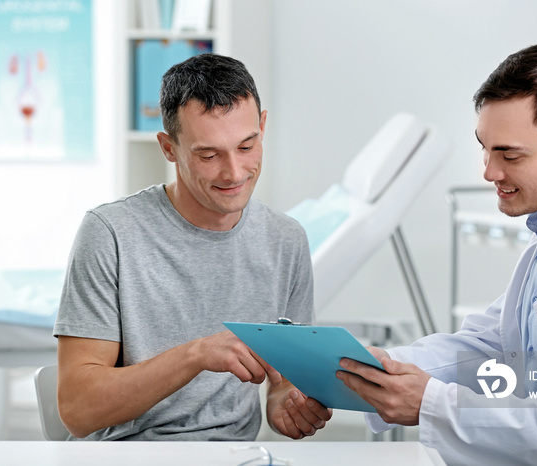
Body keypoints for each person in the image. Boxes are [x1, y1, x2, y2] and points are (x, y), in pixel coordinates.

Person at [337, 42, 537, 464]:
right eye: (485, 147)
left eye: (510, 155)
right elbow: (490, 349)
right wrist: (381, 368)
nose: (489, 171)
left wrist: (431, 404)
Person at [53, 53, 331, 441]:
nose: (234, 173)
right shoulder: (110, 233)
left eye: (247, 147)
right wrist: (196, 355)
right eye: (208, 155)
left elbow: (283, 383)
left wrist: (285, 403)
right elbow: (77, 411)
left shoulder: (286, 239)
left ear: (262, 127)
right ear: (169, 148)